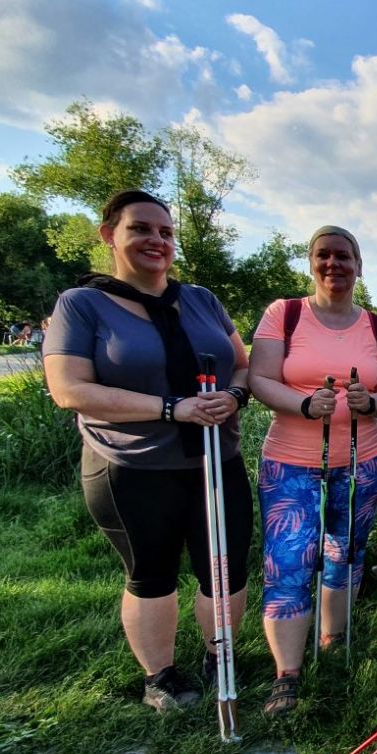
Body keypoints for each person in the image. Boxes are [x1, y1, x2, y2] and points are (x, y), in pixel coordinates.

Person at [44, 190, 252, 712]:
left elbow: (243, 367)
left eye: (165, 232)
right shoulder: (82, 305)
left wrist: (234, 395)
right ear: (109, 234)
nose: (156, 240)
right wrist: (169, 409)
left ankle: (218, 656)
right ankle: (160, 676)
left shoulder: (202, 299)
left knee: (224, 566)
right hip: (132, 465)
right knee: (151, 571)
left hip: (214, 460)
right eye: (141, 229)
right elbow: (70, 389)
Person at [248, 225, 377, 716]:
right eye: (324, 256)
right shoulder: (284, 314)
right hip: (292, 463)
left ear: (358, 265)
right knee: (289, 563)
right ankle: (287, 674)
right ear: (311, 262)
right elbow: (259, 380)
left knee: (346, 553)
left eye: (344, 257)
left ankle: (334, 642)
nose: (333, 265)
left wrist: (370, 401)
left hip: (363, 461)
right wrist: (303, 403)